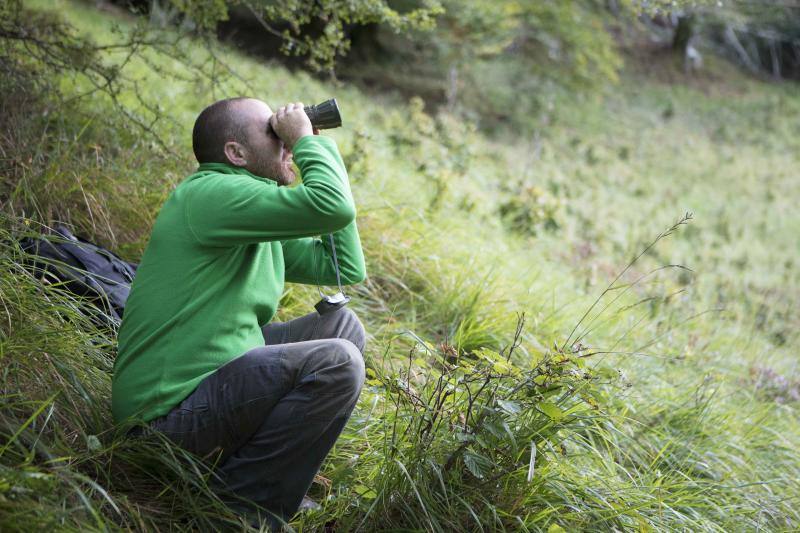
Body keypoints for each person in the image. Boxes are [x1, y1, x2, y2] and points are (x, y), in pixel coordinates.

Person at [112, 97, 367, 528]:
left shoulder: (249, 207)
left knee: (342, 326)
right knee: (338, 362)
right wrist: (306, 143)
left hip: (214, 383)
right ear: (236, 153)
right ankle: (239, 512)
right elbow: (332, 208)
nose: (284, 141)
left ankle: (252, 476)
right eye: (273, 133)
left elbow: (342, 265)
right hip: (163, 423)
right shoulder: (213, 194)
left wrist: (314, 150)